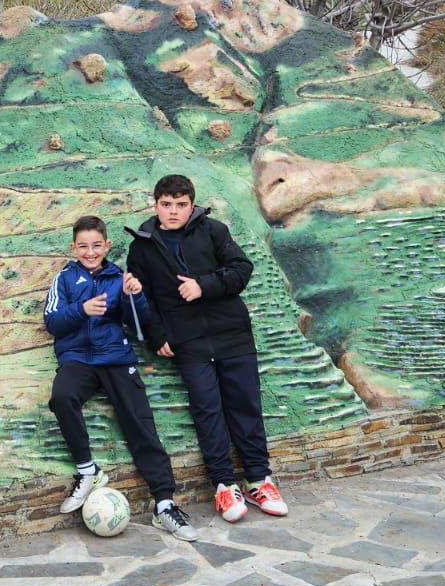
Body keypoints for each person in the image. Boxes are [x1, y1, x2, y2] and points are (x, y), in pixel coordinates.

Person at [125, 174, 288, 523]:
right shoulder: (142, 245)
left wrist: (203, 286)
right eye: (166, 204)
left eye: (180, 205)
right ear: (155, 205)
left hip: (232, 333)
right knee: (207, 410)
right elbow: (145, 299)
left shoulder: (213, 230)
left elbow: (242, 269)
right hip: (189, 342)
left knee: (245, 406)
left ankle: (260, 479)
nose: (173, 211)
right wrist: (158, 337)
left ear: (191, 205)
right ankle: (225, 486)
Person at [44, 216, 199, 541]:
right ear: (73, 247)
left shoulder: (119, 278)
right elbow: (53, 322)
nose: (90, 252)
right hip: (78, 360)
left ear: (107, 245)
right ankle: (88, 472)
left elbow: (137, 323)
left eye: (96, 245)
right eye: (83, 246)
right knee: (62, 397)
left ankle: (165, 504)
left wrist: (136, 295)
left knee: (140, 424)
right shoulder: (64, 278)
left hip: (116, 358)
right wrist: (82, 310)